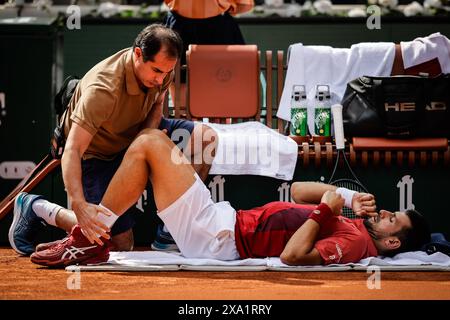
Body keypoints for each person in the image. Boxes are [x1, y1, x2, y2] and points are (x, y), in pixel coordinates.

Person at [18, 129, 430, 267]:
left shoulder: (356, 243)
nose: (387, 213)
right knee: (155, 143)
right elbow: (302, 191)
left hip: (220, 238)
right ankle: (39, 208)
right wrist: (341, 195)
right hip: (221, 222)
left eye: (394, 220)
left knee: (149, 143)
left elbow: (293, 257)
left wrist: (326, 211)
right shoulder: (356, 224)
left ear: (392, 242)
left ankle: (86, 238)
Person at [8, 24, 217, 256]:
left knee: (204, 138)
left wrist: (145, 139)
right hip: (96, 154)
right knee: (119, 244)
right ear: (138, 54)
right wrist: (78, 203)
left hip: (134, 134)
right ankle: (37, 208)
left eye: (167, 72)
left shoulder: (161, 72)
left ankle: (171, 229)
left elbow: (157, 104)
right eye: (157, 71)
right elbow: (73, 149)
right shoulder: (103, 89)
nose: (162, 79)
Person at [163, 0, 254, 111]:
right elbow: (244, 4)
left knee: (180, 81)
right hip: (217, 24)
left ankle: (186, 124)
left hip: (182, 21)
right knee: (224, 83)